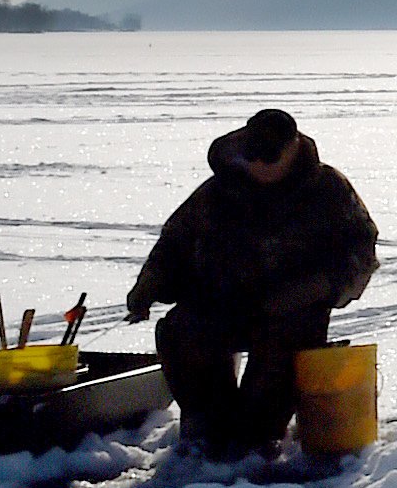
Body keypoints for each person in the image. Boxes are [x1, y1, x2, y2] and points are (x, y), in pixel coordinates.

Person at [126, 109, 379, 459]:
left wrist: (316, 288)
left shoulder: (327, 190)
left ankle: (257, 441)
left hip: (290, 312)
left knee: (268, 391)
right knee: (180, 332)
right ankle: (207, 429)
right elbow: (174, 242)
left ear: (293, 149)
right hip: (223, 303)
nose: (258, 164)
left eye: (270, 155)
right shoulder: (220, 190)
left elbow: (361, 253)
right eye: (251, 154)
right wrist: (148, 286)